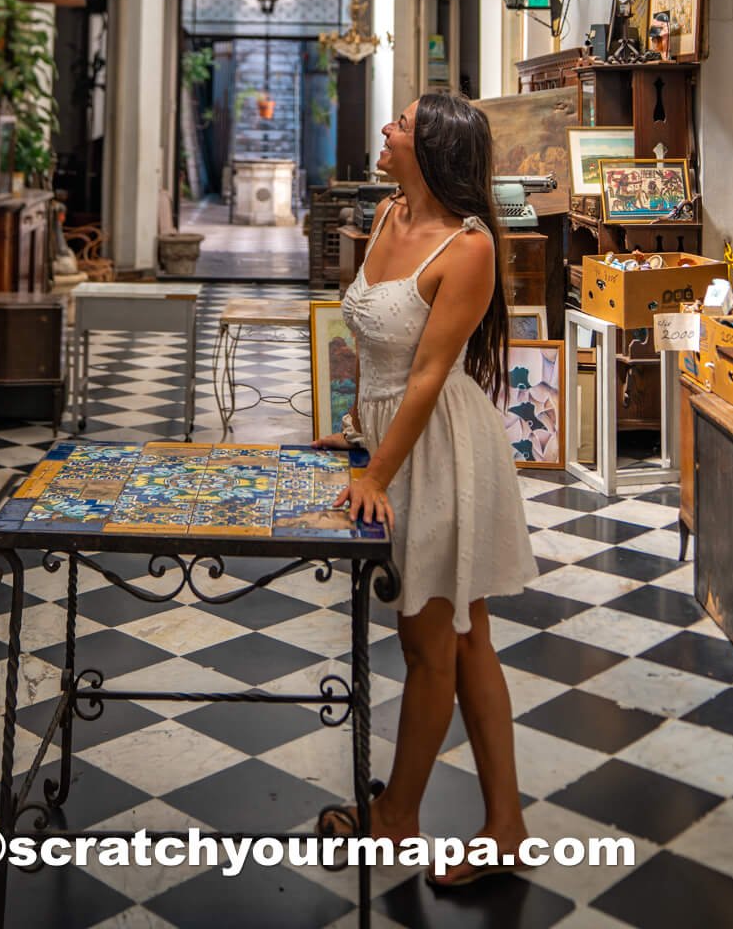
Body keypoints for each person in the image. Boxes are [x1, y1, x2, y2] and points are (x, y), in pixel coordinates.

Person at [314, 91, 536, 883]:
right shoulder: (384, 218)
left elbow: (429, 377)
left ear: (435, 147)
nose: (384, 128)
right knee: (465, 636)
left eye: (401, 123)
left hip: (439, 449)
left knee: (428, 639)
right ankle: (505, 825)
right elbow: (375, 351)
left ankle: (397, 817)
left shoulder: (467, 248)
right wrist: (352, 434)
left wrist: (378, 470)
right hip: (389, 437)